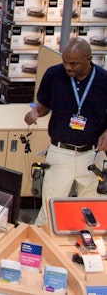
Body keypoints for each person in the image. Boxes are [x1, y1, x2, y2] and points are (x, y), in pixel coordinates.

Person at [24, 37, 107, 225]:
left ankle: (87, 248)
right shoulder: (54, 75)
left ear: (89, 59)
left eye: (74, 64)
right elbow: (44, 105)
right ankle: (40, 248)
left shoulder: (103, 80)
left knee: (92, 210)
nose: (68, 67)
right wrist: (35, 112)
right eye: (65, 62)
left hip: (92, 155)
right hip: (60, 152)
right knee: (50, 207)